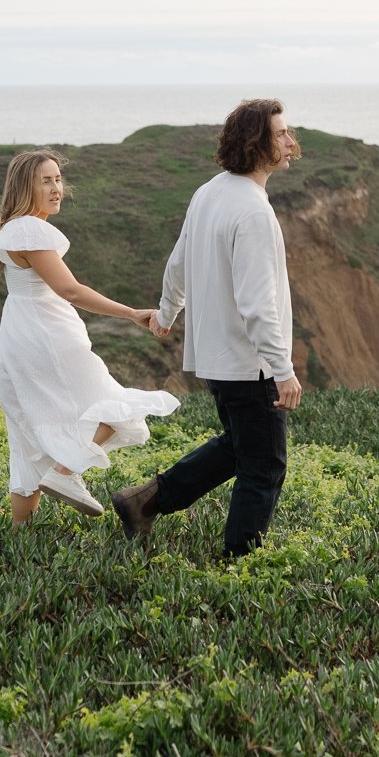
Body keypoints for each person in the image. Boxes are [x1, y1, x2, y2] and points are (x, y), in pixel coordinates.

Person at [113, 99, 303, 556]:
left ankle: (143, 501)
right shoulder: (254, 212)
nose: (291, 141)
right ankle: (240, 562)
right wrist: (283, 369)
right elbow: (257, 303)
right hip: (249, 363)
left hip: (217, 360)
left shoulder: (211, 191)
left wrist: (167, 313)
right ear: (258, 144)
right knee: (264, 466)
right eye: (280, 134)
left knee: (240, 447)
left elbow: (178, 261)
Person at [0, 148, 179, 526]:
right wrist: (130, 313)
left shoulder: (9, 230)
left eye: (58, 179)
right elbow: (71, 291)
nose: (57, 187)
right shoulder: (30, 229)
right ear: (25, 186)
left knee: (27, 437)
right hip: (48, 333)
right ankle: (64, 472)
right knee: (114, 404)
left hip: (18, 335)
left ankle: (19, 540)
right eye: (46, 180)